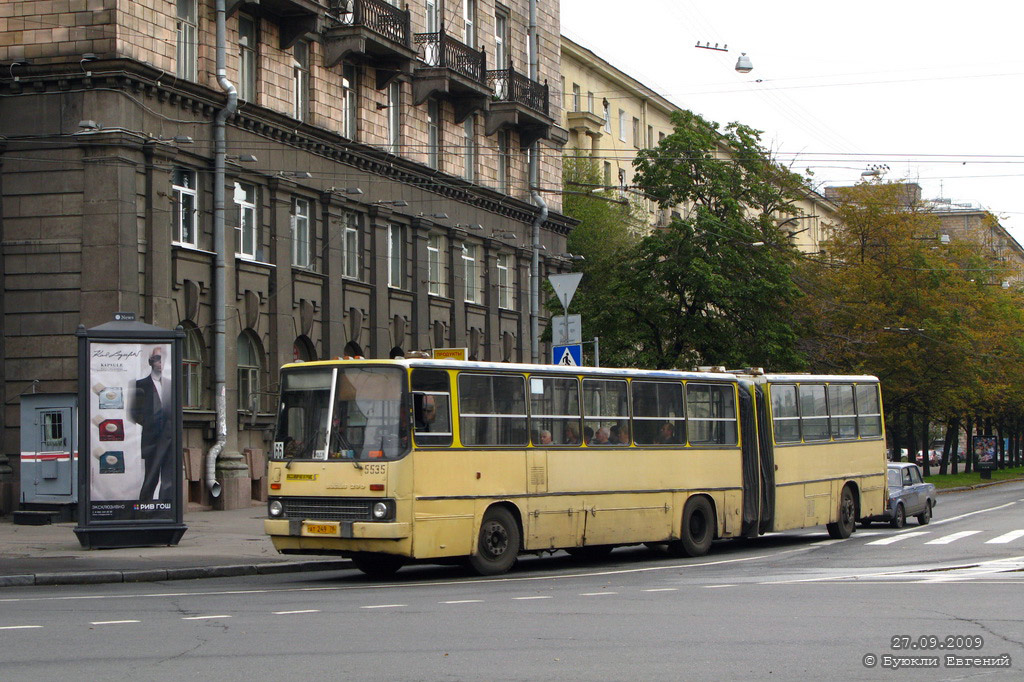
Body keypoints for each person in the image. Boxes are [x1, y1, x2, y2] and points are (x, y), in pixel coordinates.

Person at [128, 345, 174, 500]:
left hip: (169, 437)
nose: (160, 363)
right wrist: (150, 423)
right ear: (150, 361)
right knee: (151, 475)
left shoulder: (171, 385)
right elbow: (134, 413)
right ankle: (145, 506)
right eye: (157, 359)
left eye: (163, 359)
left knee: (168, 477)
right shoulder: (140, 385)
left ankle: (165, 508)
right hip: (152, 438)